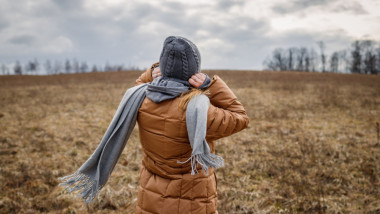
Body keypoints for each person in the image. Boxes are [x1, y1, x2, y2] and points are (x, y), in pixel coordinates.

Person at [134, 36, 249, 213]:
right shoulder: (200, 110)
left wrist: (151, 74)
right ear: (194, 72)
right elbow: (240, 117)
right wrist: (211, 86)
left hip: (151, 200)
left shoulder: (142, 99)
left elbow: (139, 84)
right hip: (192, 203)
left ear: (163, 68)